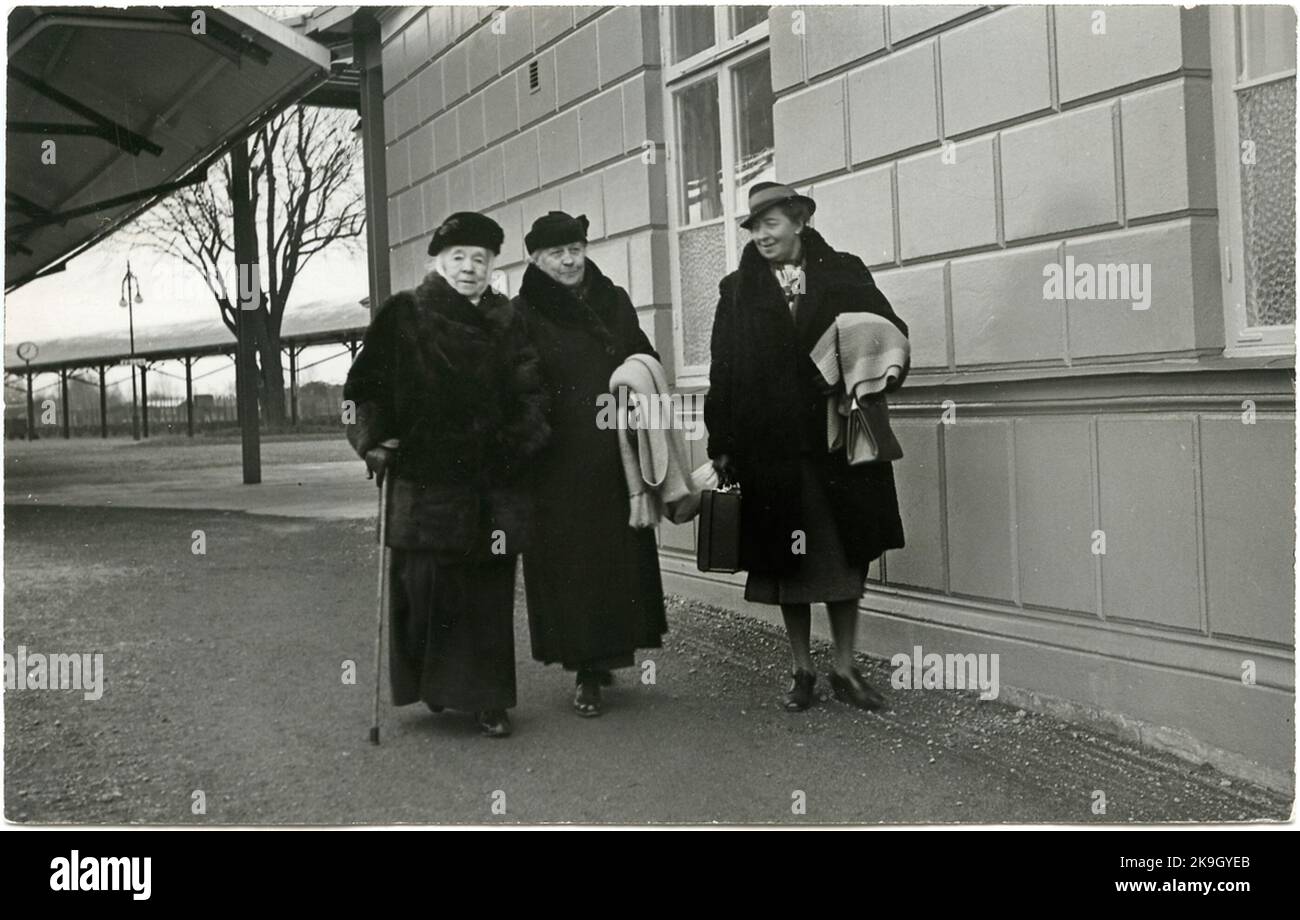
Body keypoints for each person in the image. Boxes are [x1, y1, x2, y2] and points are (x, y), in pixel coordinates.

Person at [343, 211, 550, 738]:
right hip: (427, 479)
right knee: (427, 587)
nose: (469, 268)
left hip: (492, 481)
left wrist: (524, 439)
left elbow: (532, 391)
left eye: (480, 259)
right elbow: (363, 391)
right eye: (459, 258)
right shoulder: (405, 314)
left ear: (491, 266)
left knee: (486, 592)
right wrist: (372, 442)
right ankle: (433, 686)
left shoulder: (508, 320)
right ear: (438, 261)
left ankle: (487, 701)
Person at [705, 182, 910, 712]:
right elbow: (721, 370)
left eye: (771, 224)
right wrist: (722, 441)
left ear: (798, 221)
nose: (762, 235)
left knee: (845, 558)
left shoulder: (845, 271)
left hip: (836, 443)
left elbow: (890, 332)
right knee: (784, 564)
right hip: (770, 448)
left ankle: (845, 667)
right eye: (754, 227)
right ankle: (802, 670)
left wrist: (853, 362)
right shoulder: (737, 290)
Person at [512, 210, 667, 718]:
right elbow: (517, 382)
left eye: (575, 248)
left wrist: (639, 375)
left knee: (615, 556)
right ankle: (585, 672)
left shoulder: (613, 299)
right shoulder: (524, 312)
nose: (569, 259)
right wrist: (531, 434)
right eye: (557, 252)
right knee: (571, 564)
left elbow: (643, 354)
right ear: (535, 259)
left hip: (614, 451)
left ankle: (609, 655)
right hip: (557, 459)